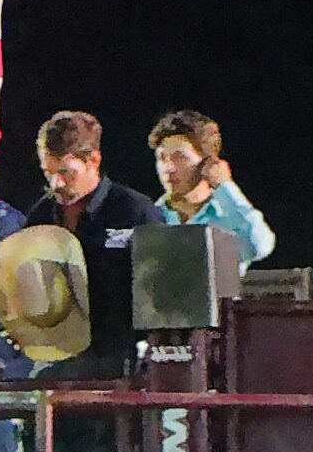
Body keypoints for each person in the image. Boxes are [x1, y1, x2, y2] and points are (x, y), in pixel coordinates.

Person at [26, 111, 171, 378]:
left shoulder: (135, 212)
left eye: (66, 173)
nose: (56, 184)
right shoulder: (40, 217)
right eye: (48, 173)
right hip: (58, 358)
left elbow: (162, 294)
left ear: (93, 160)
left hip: (124, 361)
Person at [149, 110, 275, 264]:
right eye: (162, 158)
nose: (168, 168)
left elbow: (258, 246)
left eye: (180, 157)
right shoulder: (150, 218)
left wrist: (225, 186)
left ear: (207, 161)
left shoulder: (228, 218)